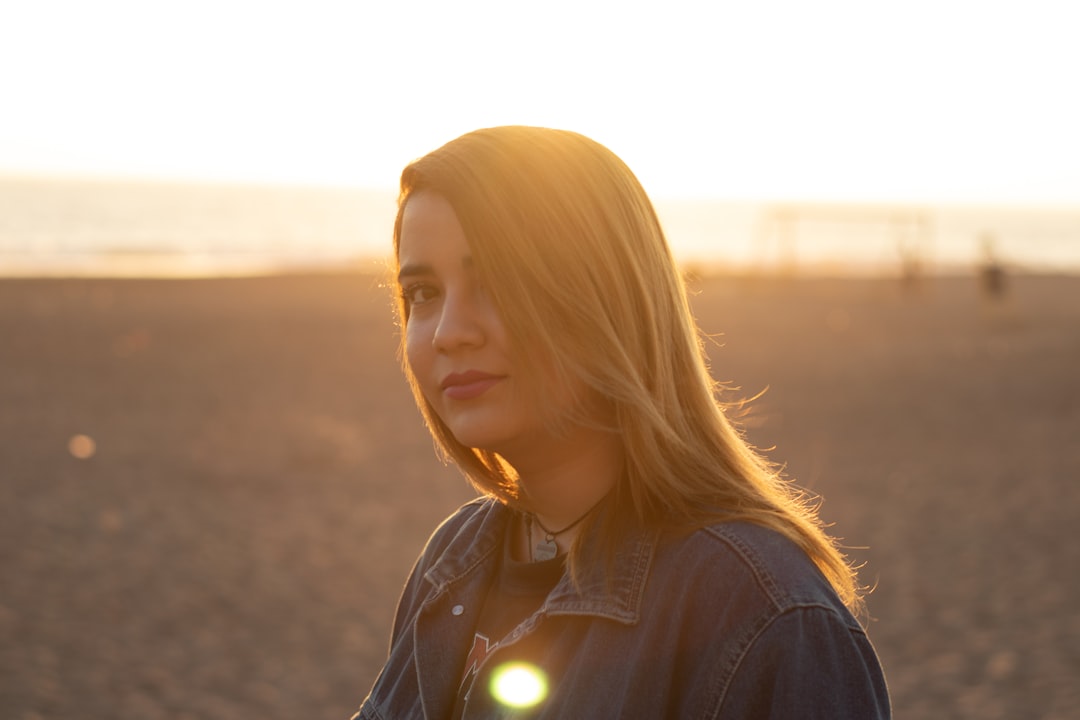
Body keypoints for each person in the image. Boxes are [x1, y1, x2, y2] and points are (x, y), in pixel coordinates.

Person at [354, 126, 890, 719]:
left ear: (606, 296)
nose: (450, 331)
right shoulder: (453, 562)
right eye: (423, 292)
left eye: (498, 281)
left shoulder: (764, 617)